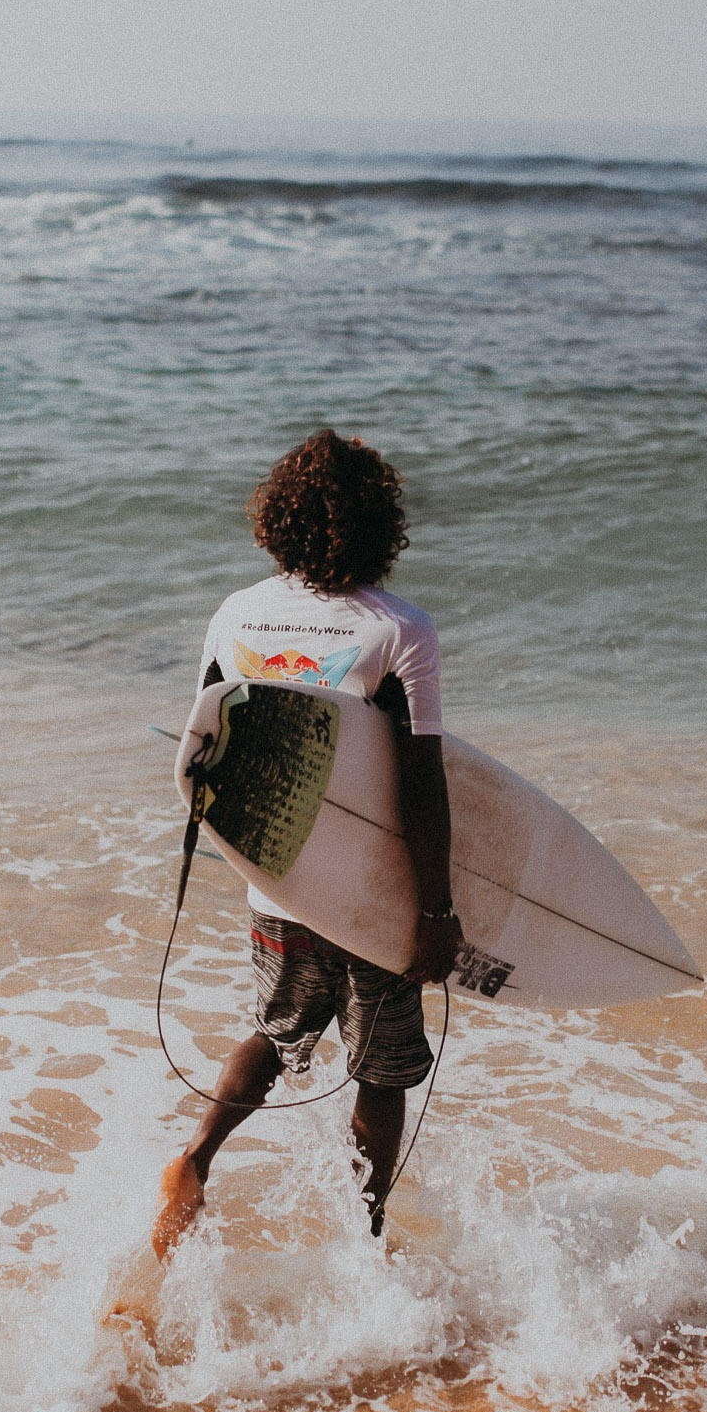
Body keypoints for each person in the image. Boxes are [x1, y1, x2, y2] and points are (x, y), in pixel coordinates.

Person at [151, 430, 460, 1257]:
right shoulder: (401, 631)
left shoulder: (236, 612)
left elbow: (212, 746)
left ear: (279, 516)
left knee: (278, 1027)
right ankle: (364, 1233)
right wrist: (435, 907)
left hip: (279, 880)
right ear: (379, 523)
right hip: (370, 893)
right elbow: (420, 782)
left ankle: (196, 1156)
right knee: (381, 1067)